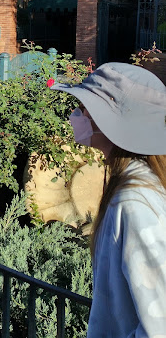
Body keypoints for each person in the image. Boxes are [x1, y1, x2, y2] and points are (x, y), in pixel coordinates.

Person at [51, 62, 166, 338]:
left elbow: (159, 326)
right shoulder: (133, 186)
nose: (77, 115)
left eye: (86, 108)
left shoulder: (134, 201)